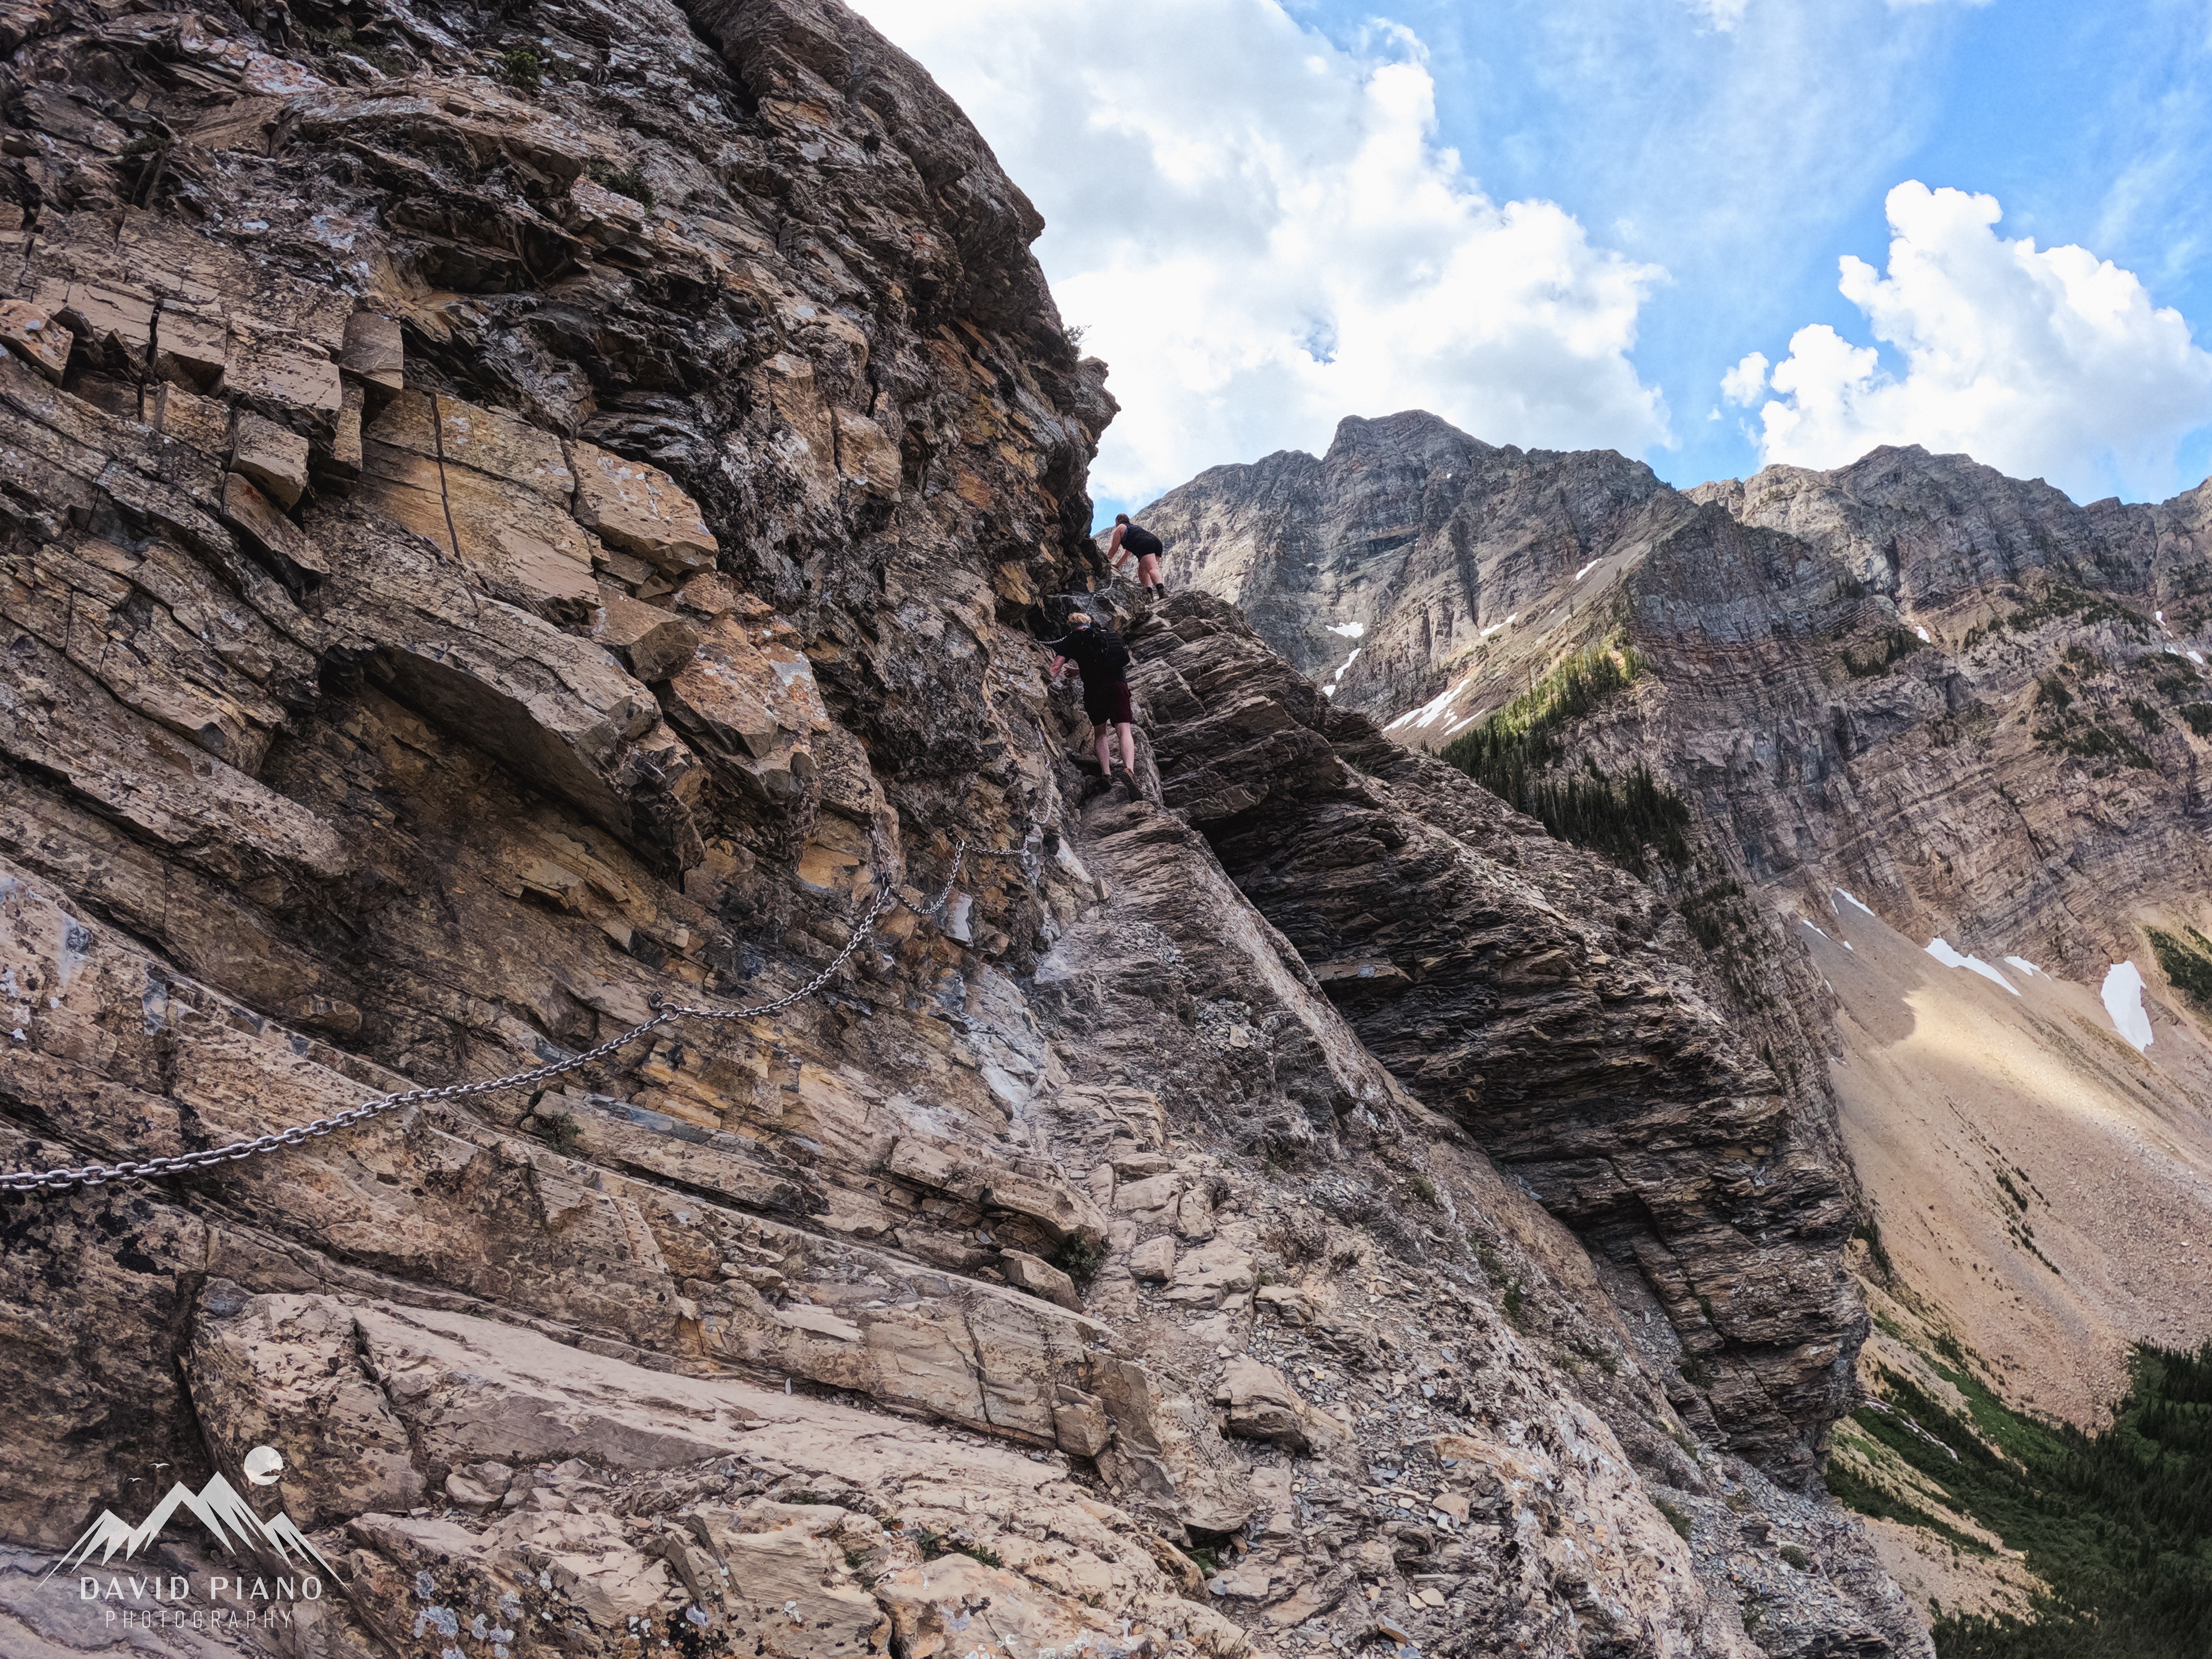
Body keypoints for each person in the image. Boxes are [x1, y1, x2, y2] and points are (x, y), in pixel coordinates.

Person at [1048, 612, 1141, 800]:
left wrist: (1044, 684)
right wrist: (1078, 671)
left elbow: (1056, 667)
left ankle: (1106, 774)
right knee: (1124, 729)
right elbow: (1104, 660)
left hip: (1094, 690)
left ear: (1071, 626)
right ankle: (1129, 770)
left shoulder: (1073, 639)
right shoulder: (1106, 635)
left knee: (1101, 732)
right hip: (1118, 685)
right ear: (1090, 623)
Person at [1105, 513, 1166, 598]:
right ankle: (1149, 594)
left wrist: (1106, 560)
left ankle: (1162, 591)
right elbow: (1127, 553)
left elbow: (1114, 549)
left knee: (1152, 568)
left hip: (1145, 544)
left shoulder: (1121, 527)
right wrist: (1118, 565)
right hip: (1156, 543)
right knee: (1142, 571)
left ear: (1117, 522)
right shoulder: (1134, 530)